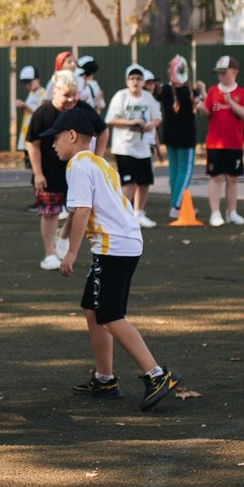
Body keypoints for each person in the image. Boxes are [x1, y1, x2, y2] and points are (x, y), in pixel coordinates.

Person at [45, 100, 180, 410]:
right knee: (92, 309)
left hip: (113, 247)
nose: (53, 144)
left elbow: (83, 210)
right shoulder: (100, 164)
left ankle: (156, 374)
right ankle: (105, 378)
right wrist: (64, 235)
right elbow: (85, 208)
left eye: (56, 137)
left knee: (109, 315)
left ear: (72, 135)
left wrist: (71, 253)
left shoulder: (78, 165)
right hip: (124, 243)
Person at [27, 68, 77, 268]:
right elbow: (33, 144)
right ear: (55, 91)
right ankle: (49, 254)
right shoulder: (43, 113)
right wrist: (38, 173)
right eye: (66, 95)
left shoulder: (79, 110)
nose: (71, 100)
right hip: (49, 172)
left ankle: (63, 237)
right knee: (50, 212)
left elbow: (100, 130)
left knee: (79, 208)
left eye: (74, 95)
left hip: (74, 171)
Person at [103, 63, 162, 228]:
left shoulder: (148, 98)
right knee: (129, 182)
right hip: (124, 147)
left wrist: (151, 124)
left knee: (144, 182)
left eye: (138, 78)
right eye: (132, 78)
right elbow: (110, 119)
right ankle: (120, 216)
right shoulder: (121, 96)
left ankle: (138, 213)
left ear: (143, 81)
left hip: (143, 147)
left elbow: (158, 117)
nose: (135, 81)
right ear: (127, 81)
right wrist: (131, 122)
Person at [199, 56, 244, 225]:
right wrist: (202, 108)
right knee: (216, 177)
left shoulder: (242, 93)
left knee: (233, 178)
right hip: (215, 144)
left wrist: (230, 102)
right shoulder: (213, 91)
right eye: (219, 73)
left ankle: (232, 212)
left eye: (224, 72)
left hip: (234, 143)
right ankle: (215, 213)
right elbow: (207, 113)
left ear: (234, 72)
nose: (220, 76)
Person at [157, 55, 200, 219]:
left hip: (170, 135)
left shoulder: (165, 89)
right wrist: (201, 90)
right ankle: (177, 205)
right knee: (185, 171)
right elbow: (199, 105)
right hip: (186, 137)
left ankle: (176, 203)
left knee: (174, 171)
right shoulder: (190, 92)